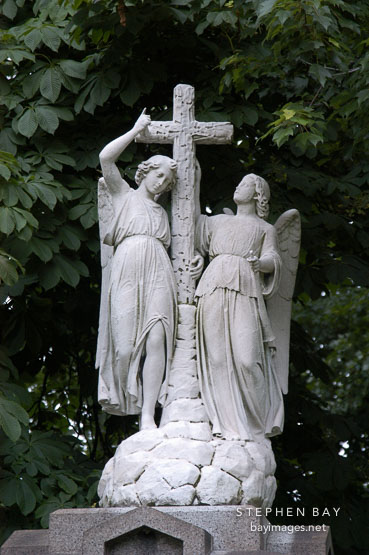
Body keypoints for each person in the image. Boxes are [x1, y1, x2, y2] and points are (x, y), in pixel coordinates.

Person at [96, 110, 177, 430]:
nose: (163, 184)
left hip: (159, 268)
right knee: (126, 346)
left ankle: (147, 415)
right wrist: (135, 130)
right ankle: (128, 397)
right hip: (128, 264)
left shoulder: (164, 213)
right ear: (144, 173)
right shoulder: (123, 194)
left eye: (168, 182)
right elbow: (105, 158)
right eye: (159, 176)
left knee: (157, 338)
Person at [191, 173, 284, 441]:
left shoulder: (265, 229)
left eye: (243, 183)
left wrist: (260, 264)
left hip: (244, 288)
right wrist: (198, 258)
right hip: (212, 286)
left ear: (257, 194)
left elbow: (273, 259)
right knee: (217, 358)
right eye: (238, 181)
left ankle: (255, 428)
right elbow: (193, 241)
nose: (237, 185)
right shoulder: (217, 222)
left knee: (246, 359)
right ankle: (227, 426)